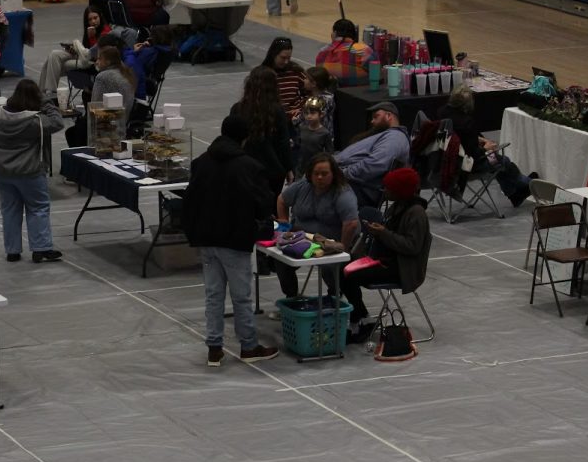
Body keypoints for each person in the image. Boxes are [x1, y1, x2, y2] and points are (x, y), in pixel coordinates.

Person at [182, 114, 278, 367]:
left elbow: (190, 200)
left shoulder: (201, 162)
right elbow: (263, 202)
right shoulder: (249, 166)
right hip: (235, 239)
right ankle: (248, 346)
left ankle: (214, 347)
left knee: (213, 294)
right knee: (241, 296)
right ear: (244, 137)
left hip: (206, 237)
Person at [341, 167, 431, 340]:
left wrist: (383, 233)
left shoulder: (416, 213)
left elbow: (412, 246)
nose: (385, 190)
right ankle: (360, 316)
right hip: (387, 260)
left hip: (403, 268)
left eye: (389, 188)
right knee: (342, 267)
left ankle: (361, 318)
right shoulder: (396, 207)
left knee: (348, 276)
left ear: (400, 191)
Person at [0, 80, 65, 263]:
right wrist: (46, 102)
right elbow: (58, 122)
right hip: (30, 171)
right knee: (38, 207)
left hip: (2, 171)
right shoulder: (35, 121)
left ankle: (12, 251)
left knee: (9, 209)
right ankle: (41, 248)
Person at [274, 152, 358, 302]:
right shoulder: (302, 185)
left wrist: (343, 247)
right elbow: (281, 200)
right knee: (281, 260)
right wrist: (284, 223)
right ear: (310, 174)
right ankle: (292, 298)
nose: (319, 177)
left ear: (333, 174)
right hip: (301, 239)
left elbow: (351, 223)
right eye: (316, 173)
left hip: (329, 244)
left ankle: (334, 296)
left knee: (328, 266)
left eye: (324, 174)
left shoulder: (343, 192)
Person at [438, 85, 533, 206]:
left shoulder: (442, 113)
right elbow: (474, 153)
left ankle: (514, 194)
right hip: (468, 166)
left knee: (497, 162)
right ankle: (528, 183)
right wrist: (486, 147)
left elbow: (459, 136)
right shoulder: (467, 122)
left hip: (446, 161)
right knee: (502, 161)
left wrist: (480, 140)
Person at [229, 67, 290, 196]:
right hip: (271, 169)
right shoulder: (277, 111)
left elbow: (230, 138)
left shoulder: (237, 109)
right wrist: (289, 168)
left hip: (243, 167)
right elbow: (283, 143)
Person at [337, 101, 410, 208]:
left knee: (310, 184)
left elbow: (375, 164)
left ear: (388, 116)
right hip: (352, 182)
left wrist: (342, 173)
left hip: (358, 187)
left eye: (376, 117)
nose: (372, 121)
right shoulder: (388, 135)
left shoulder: (395, 137)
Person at [37, 5, 109, 95]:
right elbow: (85, 49)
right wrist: (73, 49)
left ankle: (50, 94)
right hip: (82, 56)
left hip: (92, 62)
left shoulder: (106, 32)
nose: (93, 21)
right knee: (53, 54)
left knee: (53, 65)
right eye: (90, 19)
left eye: (95, 18)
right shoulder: (90, 30)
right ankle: (42, 93)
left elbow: (90, 54)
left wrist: (79, 42)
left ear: (100, 17)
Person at [314, 18, 376, 87]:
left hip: (333, 94)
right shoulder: (364, 49)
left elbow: (320, 77)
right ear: (354, 34)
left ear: (334, 34)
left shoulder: (323, 52)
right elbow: (375, 71)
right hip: (359, 93)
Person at [91, 46, 137, 137]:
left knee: (74, 131)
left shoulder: (103, 76)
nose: (96, 62)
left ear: (108, 62)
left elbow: (95, 105)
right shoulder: (125, 73)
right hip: (123, 121)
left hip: (108, 125)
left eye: (100, 59)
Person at [263, 36, 305, 121]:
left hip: (295, 117)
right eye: (283, 58)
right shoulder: (263, 74)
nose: (286, 62)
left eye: (288, 58)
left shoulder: (295, 70)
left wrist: (301, 108)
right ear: (273, 54)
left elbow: (310, 91)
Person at [129, 25, 173, 101]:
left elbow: (132, 64)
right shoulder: (168, 51)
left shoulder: (148, 52)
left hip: (139, 82)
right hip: (151, 82)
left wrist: (134, 52)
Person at [295, 97, 333, 174]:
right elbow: (298, 145)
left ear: (321, 114)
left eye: (312, 113)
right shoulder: (302, 128)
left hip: (316, 167)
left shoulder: (325, 133)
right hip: (301, 167)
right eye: (306, 113)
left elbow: (329, 153)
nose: (308, 116)